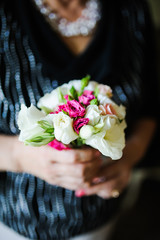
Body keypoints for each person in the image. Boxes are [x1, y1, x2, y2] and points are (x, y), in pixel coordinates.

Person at [0, 0, 159, 239]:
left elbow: (151, 104)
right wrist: (20, 156)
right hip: (15, 220)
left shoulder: (132, 7)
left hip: (101, 218)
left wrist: (127, 157)